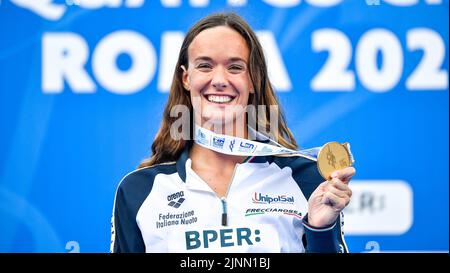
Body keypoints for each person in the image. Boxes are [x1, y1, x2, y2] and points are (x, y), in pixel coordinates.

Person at [110, 12, 355, 253]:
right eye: (205, 66)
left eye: (235, 67)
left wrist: (321, 231)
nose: (219, 79)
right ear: (186, 78)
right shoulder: (139, 191)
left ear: (253, 79)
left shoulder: (306, 179)